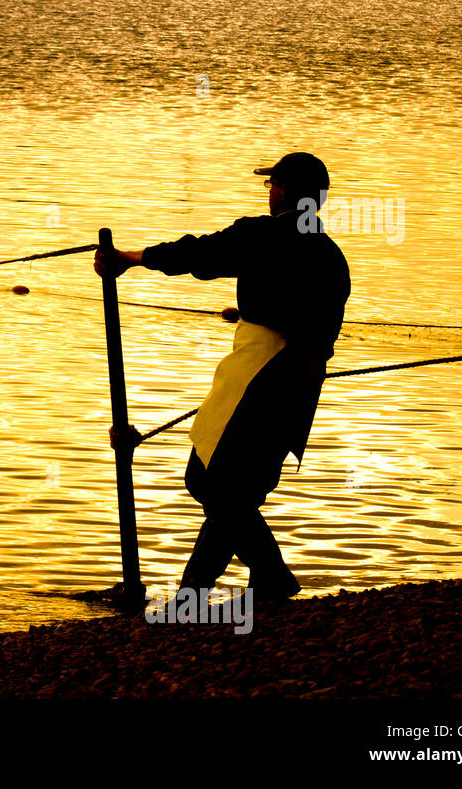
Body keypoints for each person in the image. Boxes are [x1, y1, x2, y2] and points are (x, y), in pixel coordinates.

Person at [95, 152, 350, 601]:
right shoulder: (331, 255)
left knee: (212, 482)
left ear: (286, 191)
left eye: (272, 185)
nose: (269, 192)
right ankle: (233, 586)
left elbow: (198, 254)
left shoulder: (263, 235)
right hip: (304, 380)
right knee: (234, 488)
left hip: (261, 369)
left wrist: (129, 258)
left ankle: (242, 583)